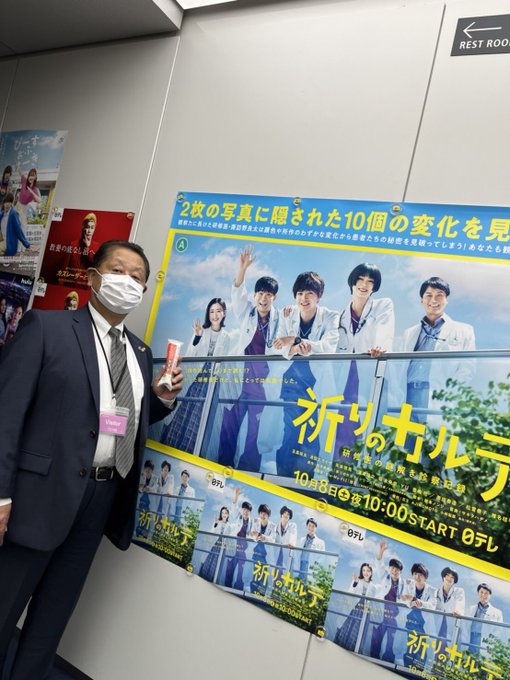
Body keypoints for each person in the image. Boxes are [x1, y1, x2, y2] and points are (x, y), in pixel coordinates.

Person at [0, 239, 183, 679]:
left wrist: (158, 399)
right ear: (92, 276)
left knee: (51, 620)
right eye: (118, 271)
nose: (127, 282)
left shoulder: (140, 353)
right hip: (37, 494)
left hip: (100, 497)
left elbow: (119, 419)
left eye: (137, 278)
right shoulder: (47, 328)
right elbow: (7, 413)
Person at [218, 246, 281, 472]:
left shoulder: (281, 320)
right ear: (255, 296)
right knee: (229, 425)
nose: (264, 298)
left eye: (268, 295)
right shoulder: (247, 312)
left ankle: (247, 471)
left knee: (256, 430)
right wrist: (243, 268)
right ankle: (222, 465)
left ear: (274, 298)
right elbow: (237, 291)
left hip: (262, 384)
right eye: (260, 294)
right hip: (239, 378)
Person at [273, 271, 339, 477]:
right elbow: (278, 345)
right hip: (292, 384)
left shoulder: (330, 316)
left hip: (315, 385)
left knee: (311, 437)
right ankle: (284, 478)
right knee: (292, 433)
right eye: (300, 293)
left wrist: (295, 341)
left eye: (309, 293)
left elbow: (328, 346)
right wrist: (293, 345)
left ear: (319, 295)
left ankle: (303, 482)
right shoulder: (287, 314)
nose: (304, 298)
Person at [332, 263, 394, 471]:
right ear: (353, 282)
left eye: (370, 281)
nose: (364, 285)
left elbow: (384, 329)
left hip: (370, 375)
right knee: (344, 428)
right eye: (361, 279)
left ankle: (367, 477)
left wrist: (380, 346)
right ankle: (340, 475)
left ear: (374, 287)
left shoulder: (383, 305)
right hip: (347, 378)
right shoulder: (341, 316)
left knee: (371, 428)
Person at [402, 277, 475, 426]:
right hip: (410, 395)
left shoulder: (464, 330)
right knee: (408, 439)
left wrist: (451, 396)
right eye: (428, 295)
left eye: (439, 295)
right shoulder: (409, 333)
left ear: (446, 300)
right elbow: (399, 369)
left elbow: (467, 370)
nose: (433, 300)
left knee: (435, 438)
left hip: (441, 396)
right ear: (421, 300)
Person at [161, 297, 230, 453]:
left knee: (200, 416)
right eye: (212, 311)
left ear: (224, 313)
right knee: (185, 409)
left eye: (218, 311)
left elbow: (222, 360)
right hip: (197, 378)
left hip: (212, 379)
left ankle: (191, 448)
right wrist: (198, 336)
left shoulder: (226, 336)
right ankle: (173, 444)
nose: (215, 315)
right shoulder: (202, 331)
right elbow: (191, 355)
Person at [370, 539, 405, 664]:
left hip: (394, 616)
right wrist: (381, 551)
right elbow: (378, 563)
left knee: (391, 641)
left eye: (397, 569)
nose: (395, 571)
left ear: (400, 571)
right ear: (390, 569)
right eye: (393, 568)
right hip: (381, 611)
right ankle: (372, 659)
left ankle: (388, 661)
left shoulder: (403, 583)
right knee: (376, 637)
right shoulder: (385, 576)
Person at [401, 562, 437, 669]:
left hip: (423, 624)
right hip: (411, 622)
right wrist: (410, 602)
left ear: (425, 577)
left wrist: (420, 603)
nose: (417, 577)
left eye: (420, 575)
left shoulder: (432, 590)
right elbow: (403, 599)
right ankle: (407, 668)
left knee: (422, 648)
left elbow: (432, 605)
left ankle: (418, 670)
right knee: (410, 646)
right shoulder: (409, 585)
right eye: (415, 574)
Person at [335, 563, 375, 652]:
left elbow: (372, 602)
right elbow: (350, 593)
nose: (365, 573)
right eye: (364, 570)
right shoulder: (357, 580)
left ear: (371, 573)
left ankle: (351, 649)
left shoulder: (373, 587)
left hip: (363, 611)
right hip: (353, 608)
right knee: (346, 626)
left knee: (357, 631)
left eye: (368, 571)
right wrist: (355, 582)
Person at [223, 487, 253, 591]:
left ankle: (238, 590)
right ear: (242, 510)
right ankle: (226, 587)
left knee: (241, 571)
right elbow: (234, 505)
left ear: (250, 512)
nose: (245, 512)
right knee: (230, 568)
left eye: (248, 510)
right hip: (234, 545)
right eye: (244, 509)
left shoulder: (252, 522)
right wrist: (236, 495)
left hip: (244, 548)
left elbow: (253, 534)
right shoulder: (237, 516)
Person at [62, 212, 101, 285]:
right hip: (71, 285)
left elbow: (96, 269)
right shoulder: (73, 244)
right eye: (87, 227)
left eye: (92, 228)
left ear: (94, 229)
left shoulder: (98, 247)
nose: (89, 231)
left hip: (87, 287)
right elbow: (64, 268)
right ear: (83, 228)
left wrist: (87, 247)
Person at [434, 566, 465, 654]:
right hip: (438, 624)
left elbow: (459, 603)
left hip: (451, 624)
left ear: (454, 580)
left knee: (448, 649)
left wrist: (457, 611)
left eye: (452, 577)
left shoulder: (459, 591)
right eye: (447, 575)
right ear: (443, 577)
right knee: (436, 648)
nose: (449, 578)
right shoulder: (436, 592)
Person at [467, 583, 503, 655]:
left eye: (486, 593)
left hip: (484, 641)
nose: (483, 595)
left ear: (490, 595)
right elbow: (465, 626)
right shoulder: (471, 608)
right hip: (471, 638)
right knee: (468, 658)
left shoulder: (497, 612)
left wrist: (491, 644)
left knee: (480, 659)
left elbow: (498, 631)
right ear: (478, 593)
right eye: (481, 592)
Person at [249, 503, 276, 594]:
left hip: (266, 556)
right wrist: (256, 536)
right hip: (256, 554)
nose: (263, 515)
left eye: (265, 514)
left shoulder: (272, 526)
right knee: (256, 575)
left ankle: (261, 595)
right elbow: (251, 534)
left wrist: (264, 537)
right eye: (261, 513)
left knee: (264, 577)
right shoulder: (256, 522)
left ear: (268, 515)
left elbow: (273, 539)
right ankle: (253, 594)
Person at [199, 506, 230, 582]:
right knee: (208, 560)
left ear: (228, 514)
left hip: (221, 547)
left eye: (225, 513)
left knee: (215, 564)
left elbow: (228, 538)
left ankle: (210, 579)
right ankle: (202, 577)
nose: (224, 514)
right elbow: (212, 532)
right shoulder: (217, 522)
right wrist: (215, 524)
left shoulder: (229, 526)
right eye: (222, 513)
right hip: (213, 545)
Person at [135, 459, 157, 539]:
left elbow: (155, 489)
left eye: (150, 469)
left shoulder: (155, 478)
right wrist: (143, 488)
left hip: (149, 502)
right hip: (141, 501)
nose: (148, 470)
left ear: (152, 470)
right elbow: (138, 487)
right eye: (147, 468)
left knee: (147, 518)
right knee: (141, 517)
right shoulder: (141, 475)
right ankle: (138, 533)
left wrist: (148, 488)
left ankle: (145, 534)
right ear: (144, 468)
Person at [274, 505, 297, 569]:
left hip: (287, 552)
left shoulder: (292, 526)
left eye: (288, 514)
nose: (286, 515)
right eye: (284, 513)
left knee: (285, 571)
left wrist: (291, 542)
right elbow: (273, 538)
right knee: (275, 571)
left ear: (289, 517)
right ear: (281, 514)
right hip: (277, 553)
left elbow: (293, 535)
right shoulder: (276, 527)